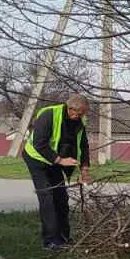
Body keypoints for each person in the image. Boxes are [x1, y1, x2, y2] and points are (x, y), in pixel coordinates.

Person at [22, 95, 91, 250]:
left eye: (83, 114)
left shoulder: (80, 122)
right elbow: (39, 143)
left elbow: (84, 146)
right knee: (47, 197)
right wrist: (60, 160)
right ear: (70, 109)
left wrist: (84, 169)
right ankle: (51, 241)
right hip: (36, 159)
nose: (81, 117)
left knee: (61, 198)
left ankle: (64, 238)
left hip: (55, 161)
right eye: (79, 114)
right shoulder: (49, 115)